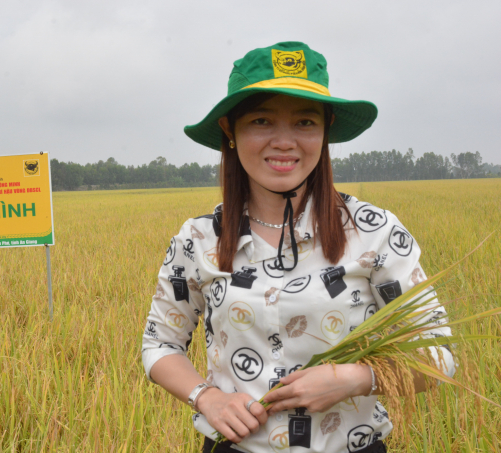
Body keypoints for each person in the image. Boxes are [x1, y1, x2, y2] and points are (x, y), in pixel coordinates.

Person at [140, 42, 455, 453]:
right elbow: (160, 344)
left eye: (305, 122)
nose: (285, 141)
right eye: (261, 121)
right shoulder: (199, 239)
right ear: (230, 132)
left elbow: (438, 354)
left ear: (325, 132)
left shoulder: (374, 232)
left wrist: (354, 379)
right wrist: (208, 397)